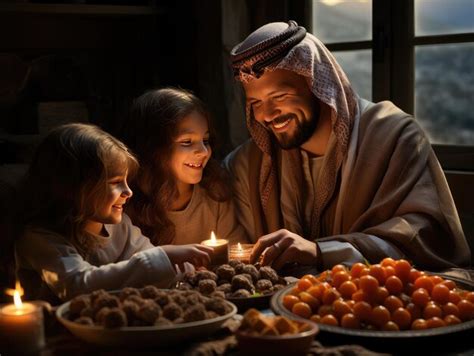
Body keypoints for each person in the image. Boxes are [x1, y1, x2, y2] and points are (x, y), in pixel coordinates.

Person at [224, 20, 470, 271]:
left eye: (280, 96)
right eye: (255, 103)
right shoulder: (249, 165)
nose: (267, 114)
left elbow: (425, 238)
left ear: (318, 84)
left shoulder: (394, 137)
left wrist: (321, 251)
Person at [14, 123, 213, 303]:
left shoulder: (120, 226)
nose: (128, 192)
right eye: (116, 183)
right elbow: (78, 286)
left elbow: (153, 267)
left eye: (126, 181)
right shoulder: (40, 240)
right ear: (75, 188)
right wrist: (164, 255)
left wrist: (186, 271)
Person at [120, 87, 248, 246]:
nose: (203, 151)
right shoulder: (125, 203)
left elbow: (235, 248)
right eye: (187, 142)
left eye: (205, 140)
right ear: (153, 147)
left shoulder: (214, 194)